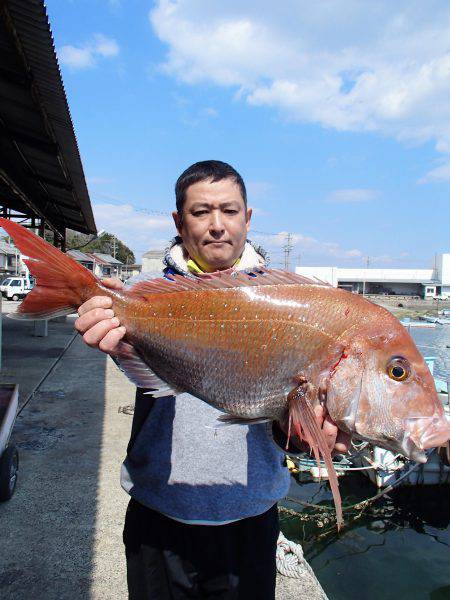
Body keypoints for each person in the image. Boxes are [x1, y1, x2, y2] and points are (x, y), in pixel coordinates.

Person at [75, 160, 350, 599]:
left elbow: (287, 427)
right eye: (201, 212)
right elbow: (142, 374)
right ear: (178, 221)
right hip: (159, 516)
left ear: (248, 217)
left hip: (249, 519)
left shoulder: (286, 300)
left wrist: (307, 433)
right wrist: (108, 333)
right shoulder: (144, 295)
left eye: (230, 210)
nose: (217, 225)